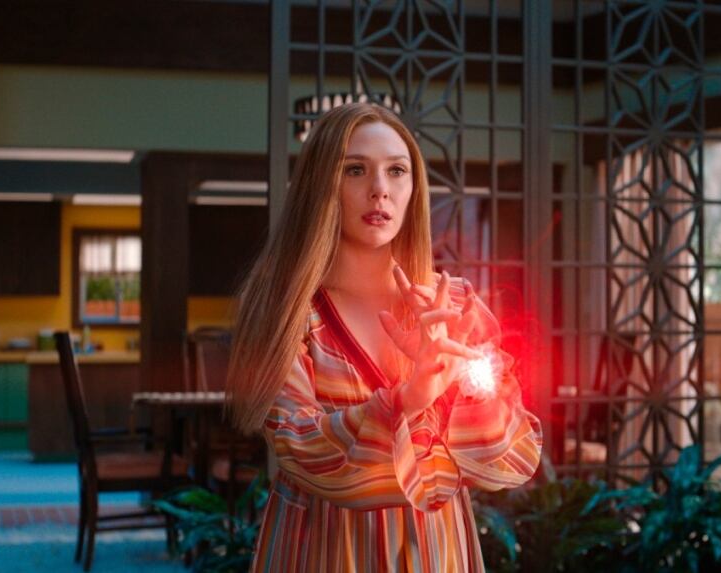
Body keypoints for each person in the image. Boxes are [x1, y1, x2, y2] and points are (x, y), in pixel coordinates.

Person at [227, 102, 542, 572]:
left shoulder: (454, 306)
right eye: (355, 170)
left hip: (437, 551)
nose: (380, 189)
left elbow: (510, 458)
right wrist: (408, 400)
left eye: (397, 171)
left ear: (414, 188)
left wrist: (459, 384)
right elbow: (301, 449)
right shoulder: (285, 311)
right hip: (323, 551)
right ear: (320, 185)